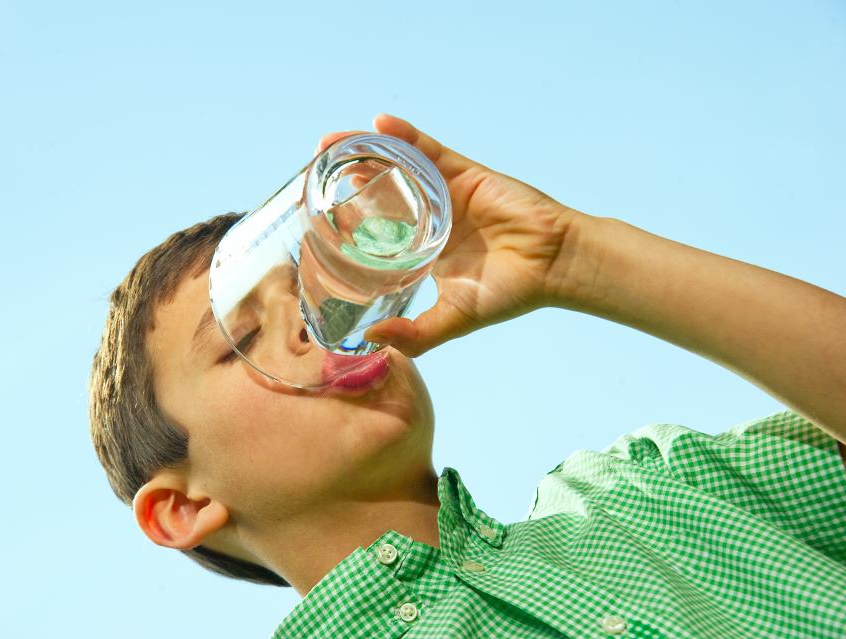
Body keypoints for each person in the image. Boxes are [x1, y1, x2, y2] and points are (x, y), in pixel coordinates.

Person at [88, 114, 846, 638]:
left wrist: (577, 259)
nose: (316, 322)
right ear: (182, 508)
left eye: (321, 293)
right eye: (243, 335)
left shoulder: (647, 492)